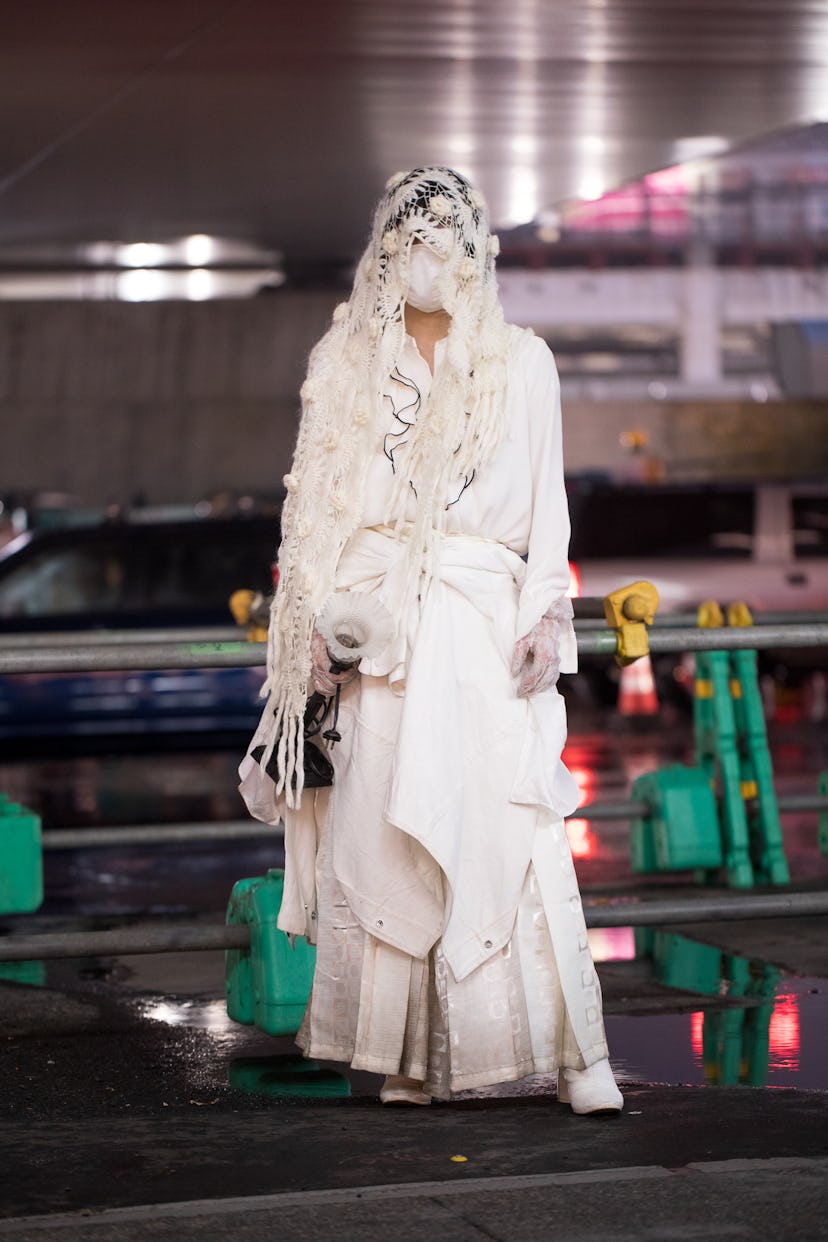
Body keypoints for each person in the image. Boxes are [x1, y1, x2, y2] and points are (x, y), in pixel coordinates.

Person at [240, 167, 623, 1114]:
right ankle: (411, 1058)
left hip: (483, 628)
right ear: (385, 248)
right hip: (379, 633)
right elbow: (317, 511)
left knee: (515, 830)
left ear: (477, 249)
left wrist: (545, 615)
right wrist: (314, 633)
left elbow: (548, 510)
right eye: (411, 240)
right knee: (386, 840)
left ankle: (582, 1059)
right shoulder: (347, 362)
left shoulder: (522, 360)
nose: (429, 257)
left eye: (448, 240)